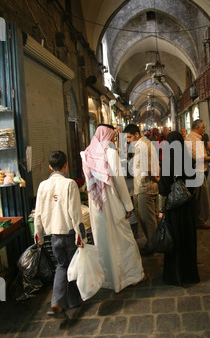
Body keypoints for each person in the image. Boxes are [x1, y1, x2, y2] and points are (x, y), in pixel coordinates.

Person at [80, 124, 147, 293]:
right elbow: (118, 181)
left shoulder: (87, 154)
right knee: (124, 238)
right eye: (112, 136)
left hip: (96, 206)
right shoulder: (110, 153)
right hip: (111, 202)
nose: (113, 139)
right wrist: (128, 204)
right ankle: (132, 277)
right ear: (107, 135)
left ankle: (111, 279)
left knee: (104, 242)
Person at [34, 150, 85, 318]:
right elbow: (75, 213)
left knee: (62, 266)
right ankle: (73, 300)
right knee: (73, 266)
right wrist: (80, 235)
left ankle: (57, 300)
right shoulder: (70, 184)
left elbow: (38, 213)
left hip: (53, 235)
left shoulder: (42, 185)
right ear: (66, 165)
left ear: (50, 166)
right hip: (69, 233)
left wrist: (38, 235)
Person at [158, 131, 200, 286]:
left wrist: (161, 211)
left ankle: (176, 275)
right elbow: (195, 183)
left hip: (173, 209)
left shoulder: (168, 161)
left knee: (174, 240)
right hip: (187, 207)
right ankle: (190, 274)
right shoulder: (189, 160)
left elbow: (163, 189)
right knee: (188, 239)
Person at [123, 124, 160, 255]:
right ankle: (154, 243)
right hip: (145, 187)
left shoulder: (143, 146)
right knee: (150, 219)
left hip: (146, 188)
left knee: (148, 220)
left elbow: (148, 169)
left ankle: (153, 246)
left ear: (137, 134)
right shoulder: (141, 145)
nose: (128, 140)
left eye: (129, 137)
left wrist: (156, 180)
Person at [186, 119, 210, 229]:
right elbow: (198, 158)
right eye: (203, 127)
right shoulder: (194, 140)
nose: (204, 129)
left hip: (194, 171)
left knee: (198, 198)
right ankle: (200, 221)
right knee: (202, 198)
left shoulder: (190, 138)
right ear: (198, 127)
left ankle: (196, 219)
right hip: (198, 172)